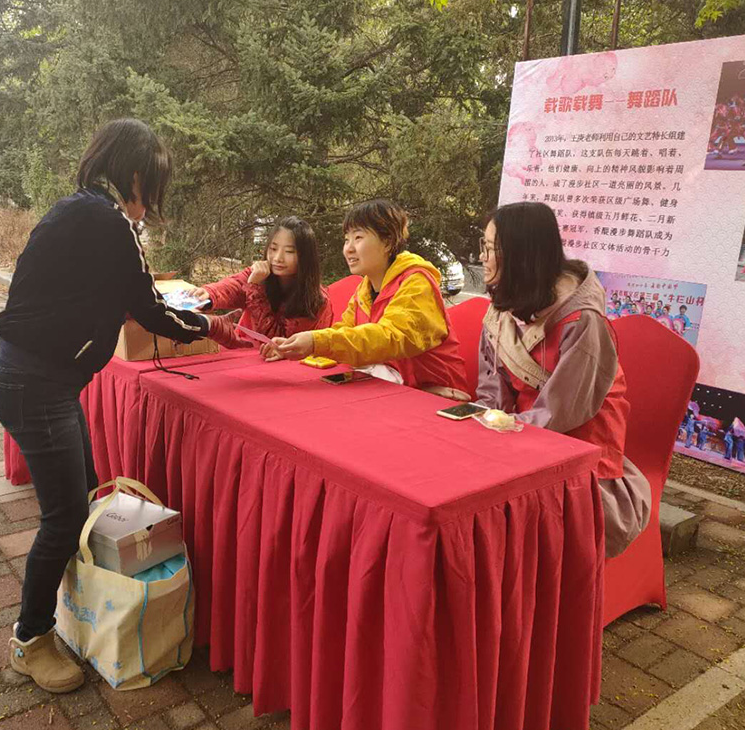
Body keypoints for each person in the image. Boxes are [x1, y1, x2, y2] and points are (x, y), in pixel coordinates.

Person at [0, 118, 244, 694]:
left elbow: (113, 297)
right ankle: (30, 639)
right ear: (134, 175)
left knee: (83, 496)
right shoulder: (107, 221)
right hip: (37, 386)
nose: (150, 202)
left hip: (38, 381)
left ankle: (76, 605)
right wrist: (213, 328)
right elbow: (149, 308)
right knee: (64, 519)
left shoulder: (80, 210)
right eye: (151, 186)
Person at [474, 201, 650, 558]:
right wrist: (485, 425)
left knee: (509, 522)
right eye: (484, 246)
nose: (482, 257)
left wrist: (506, 436)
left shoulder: (581, 320)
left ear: (521, 256)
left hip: (575, 441)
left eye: (490, 249)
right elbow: (492, 385)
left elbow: (563, 411)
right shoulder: (504, 306)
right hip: (520, 431)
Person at [262, 199, 468, 399]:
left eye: (358, 237)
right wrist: (296, 346)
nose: (348, 248)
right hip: (388, 389)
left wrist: (316, 342)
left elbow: (391, 337)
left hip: (435, 397)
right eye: (346, 239)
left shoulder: (417, 284)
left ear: (388, 242)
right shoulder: (365, 288)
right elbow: (344, 331)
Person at [189, 217, 333, 340]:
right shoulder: (261, 275)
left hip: (284, 362)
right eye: (273, 249)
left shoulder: (316, 301)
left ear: (305, 257)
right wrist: (209, 294)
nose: (278, 258)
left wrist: (255, 289)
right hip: (241, 351)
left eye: (289, 251)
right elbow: (234, 285)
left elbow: (279, 340)